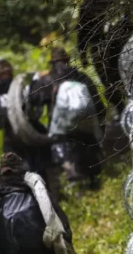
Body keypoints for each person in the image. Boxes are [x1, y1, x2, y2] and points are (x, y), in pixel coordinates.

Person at [27, 47, 105, 189]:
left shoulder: (47, 80)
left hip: (62, 132)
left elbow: (33, 99)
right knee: (89, 157)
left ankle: (73, 187)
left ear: (52, 63)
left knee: (65, 159)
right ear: (68, 61)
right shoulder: (82, 77)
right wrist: (99, 127)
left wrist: (35, 82)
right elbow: (99, 106)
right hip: (85, 129)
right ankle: (94, 185)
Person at [0, 58, 50, 179]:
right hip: (32, 136)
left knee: (14, 174)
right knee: (40, 171)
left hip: (12, 142)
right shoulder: (25, 91)